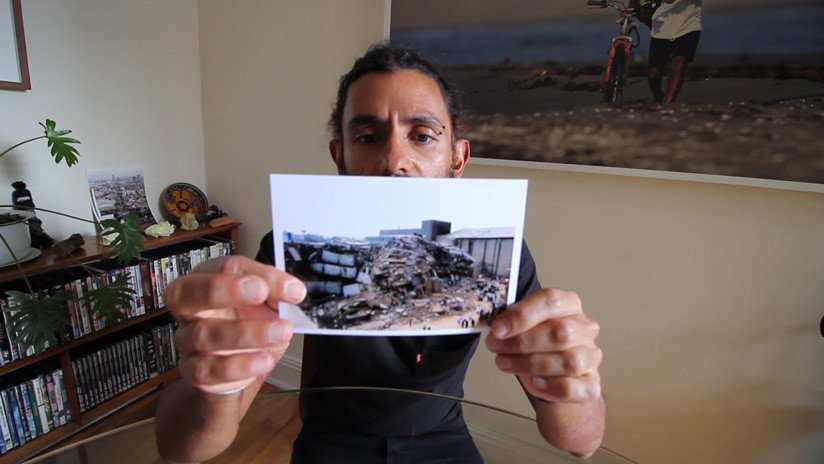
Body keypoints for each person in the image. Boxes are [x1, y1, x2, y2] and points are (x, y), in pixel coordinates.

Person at [155, 43, 605, 463]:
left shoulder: (498, 252)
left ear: (458, 159)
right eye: (369, 137)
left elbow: (581, 443)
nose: (394, 161)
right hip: (332, 437)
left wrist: (573, 382)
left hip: (442, 435)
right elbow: (185, 450)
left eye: (423, 136)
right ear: (340, 157)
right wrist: (216, 381)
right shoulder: (292, 248)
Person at [633, 0, 702, 103]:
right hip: (661, 26)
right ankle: (658, 96)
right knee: (653, 73)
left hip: (688, 24)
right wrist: (631, 7)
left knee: (679, 64)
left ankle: (668, 104)